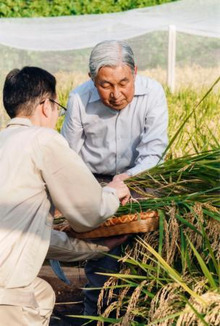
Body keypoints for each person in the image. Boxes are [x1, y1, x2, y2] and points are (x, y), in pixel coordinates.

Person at [0, 66, 131, 326]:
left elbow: (32, 237)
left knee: (42, 293)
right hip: (6, 292)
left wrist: (97, 249)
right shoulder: (43, 139)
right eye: (57, 107)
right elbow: (89, 212)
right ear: (46, 105)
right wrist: (113, 191)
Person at [61, 40, 168, 318]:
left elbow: (154, 152)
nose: (116, 94)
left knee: (146, 250)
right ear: (92, 79)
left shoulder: (153, 92)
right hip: (94, 184)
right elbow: (66, 156)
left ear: (135, 72)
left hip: (141, 179)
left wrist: (127, 179)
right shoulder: (79, 99)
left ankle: (141, 313)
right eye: (106, 85)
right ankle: (96, 315)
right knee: (102, 256)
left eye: (124, 82)